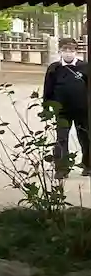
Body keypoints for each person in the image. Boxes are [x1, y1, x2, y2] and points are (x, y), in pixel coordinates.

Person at [43, 37, 89, 177]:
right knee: (61, 139)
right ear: (60, 50)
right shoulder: (54, 68)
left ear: (76, 51)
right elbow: (48, 88)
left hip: (82, 110)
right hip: (62, 110)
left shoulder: (85, 67)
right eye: (65, 49)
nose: (68, 52)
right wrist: (46, 106)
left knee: (86, 137)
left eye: (71, 49)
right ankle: (62, 169)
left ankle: (88, 166)